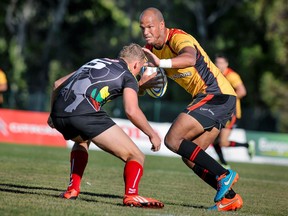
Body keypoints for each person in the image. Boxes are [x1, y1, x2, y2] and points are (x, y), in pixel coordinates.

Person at [139, 7, 243, 211]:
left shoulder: (178, 38)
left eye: (150, 27)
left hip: (217, 94)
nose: (146, 32)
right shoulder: (149, 51)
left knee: (172, 139)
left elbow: (190, 58)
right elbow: (143, 81)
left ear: (161, 25)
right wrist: (141, 85)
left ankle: (224, 174)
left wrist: (161, 63)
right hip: (212, 99)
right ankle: (230, 198)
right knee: (190, 156)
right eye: (142, 28)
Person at [48, 43, 164, 208]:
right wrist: (152, 134)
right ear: (137, 64)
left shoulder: (97, 61)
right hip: (84, 113)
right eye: (141, 68)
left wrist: (52, 114)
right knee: (136, 156)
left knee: (81, 140)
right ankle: (131, 195)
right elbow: (131, 111)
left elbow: (57, 84)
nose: (139, 72)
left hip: (59, 114)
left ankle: (72, 189)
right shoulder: (128, 75)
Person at [213, 54, 255, 169]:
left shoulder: (232, 76)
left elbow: (242, 91)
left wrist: (227, 99)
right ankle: (224, 163)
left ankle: (245, 146)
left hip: (232, 113)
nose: (218, 65)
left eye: (221, 63)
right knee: (213, 139)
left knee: (222, 142)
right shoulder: (215, 74)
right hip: (220, 111)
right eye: (217, 62)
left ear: (226, 64)